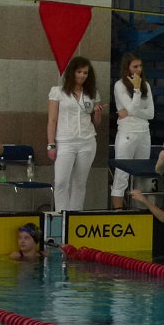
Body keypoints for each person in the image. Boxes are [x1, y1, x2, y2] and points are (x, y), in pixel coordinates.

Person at [47, 56, 105, 212]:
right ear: (72, 72)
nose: (82, 75)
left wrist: (98, 113)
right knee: (61, 182)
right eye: (79, 72)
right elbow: (52, 120)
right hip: (65, 141)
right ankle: (61, 215)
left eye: (85, 73)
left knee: (79, 183)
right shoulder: (58, 92)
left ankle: (75, 214)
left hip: (87, 141)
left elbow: (96, 123)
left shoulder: (92, 93)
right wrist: (51, 144)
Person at [111, 52, 154, 210]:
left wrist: (129, 112)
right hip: (127, 133)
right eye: (135, 66)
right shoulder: (119, 85)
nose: (138, 69)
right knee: (122, 174)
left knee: (141, 175)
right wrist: (136, 89)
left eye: (140, 66)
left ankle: (140, 210)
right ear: (127, 68)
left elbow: (151, 113)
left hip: (144, 132)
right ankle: (118, 212)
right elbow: (132, 107)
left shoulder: (146, 85)